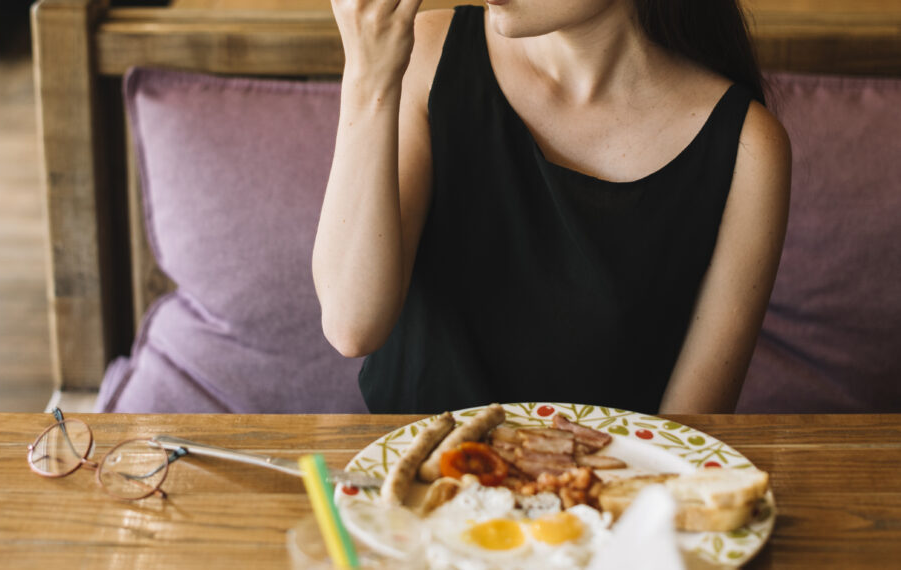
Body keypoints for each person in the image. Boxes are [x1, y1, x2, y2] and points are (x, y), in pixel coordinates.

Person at [311, 0, 791, 415]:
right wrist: (368, 76)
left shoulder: (747, 148)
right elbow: (351, 326)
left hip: (606, 509)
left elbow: (685, 445)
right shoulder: (427, 55)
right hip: (411, 499)